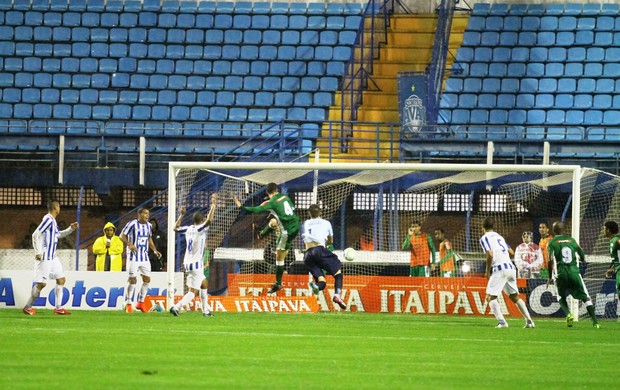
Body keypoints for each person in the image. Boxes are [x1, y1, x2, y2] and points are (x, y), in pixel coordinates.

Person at [234, 182, 300, 294]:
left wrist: (241, 206)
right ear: (277, 190)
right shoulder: (285, 197)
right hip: (296, 226)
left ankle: (278, 283)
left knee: (279, 257)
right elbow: (292, 210)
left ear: (267, 192)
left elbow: (255, 210)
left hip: (287, 231)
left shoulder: (271, 202)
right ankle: (262, 234)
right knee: (274, 222)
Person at [22, 200, 79, 315]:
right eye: (59, 206)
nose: (60, 209)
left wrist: (70, 229)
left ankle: (58, 308)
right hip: (45, 258)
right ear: (56, 208)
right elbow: (35, 234)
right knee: (42, 284)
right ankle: (28, 307)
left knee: (61, 279)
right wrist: (37, 251)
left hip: (52, 258)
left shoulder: (53, 221)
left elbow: (58, 235)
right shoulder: (48, 219)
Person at [480, 217, 535, 328]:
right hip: (510, 268)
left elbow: (489, 254)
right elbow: (511, 252)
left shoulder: (484, 238)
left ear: (483, 228)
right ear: (493, 227)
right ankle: (529, 322)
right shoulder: (499, 237)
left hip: (500, 269)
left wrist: (487, 271)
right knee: (515, 296)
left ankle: (502, 322)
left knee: (490, 297)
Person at [170, 194, 217, 317]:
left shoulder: (188, 228)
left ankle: (205, 310)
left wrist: (181, 214)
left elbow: (175, 228)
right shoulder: (200, 229)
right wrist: (213, 206)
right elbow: (209, 221)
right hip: (196, 264)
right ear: (201, 220)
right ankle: (176, 307)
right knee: (193, 292)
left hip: (187, 263)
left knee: (204, 283)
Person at [548, 221, 600, 328]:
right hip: (574, 273)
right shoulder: (571, 240)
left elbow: (550, 260)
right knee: (585, 297)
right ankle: (595, 322)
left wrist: (550, 276)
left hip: (561, 274)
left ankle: (568, 314)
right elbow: (581, 254)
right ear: (564, 230)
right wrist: (582, 260)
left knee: (561, 297)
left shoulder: (552, 242)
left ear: (554, 231)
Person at [302, 204, 347, 310]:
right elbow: (330, 240)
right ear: (321, 212)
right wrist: (326, 244)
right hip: (319, 250)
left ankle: (317, 286)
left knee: (322, 281)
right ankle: (337, 295)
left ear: (309, 213)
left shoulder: (306, 223)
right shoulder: (326, 223)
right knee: (338, 273)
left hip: (307, 255)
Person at [119, 207, 162, 313]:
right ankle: (129, 303)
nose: (147, 216)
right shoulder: (132, 224)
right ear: (139, 214)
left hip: (144, 256)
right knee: (132, 279)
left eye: (148, 214)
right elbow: (121, 236)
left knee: (147, 279)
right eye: (145, 214)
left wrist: (155, 250)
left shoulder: (149, 226)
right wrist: (130, 244)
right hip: (133, 256)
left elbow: (149, 238)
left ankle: (141, 303)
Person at [604, 221, 620, 292]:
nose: (603, 231)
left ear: (608, 230)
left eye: (604, 229)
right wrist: (613, 269)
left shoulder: (617, 240)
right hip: (617, 271)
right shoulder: (613, 241)